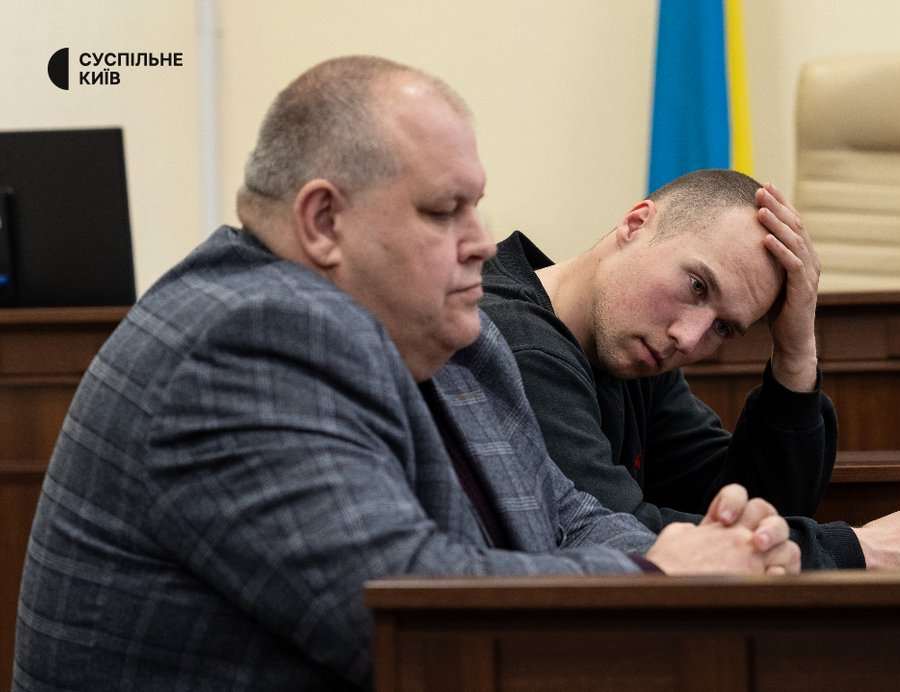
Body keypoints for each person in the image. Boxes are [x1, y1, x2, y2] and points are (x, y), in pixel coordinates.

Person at [14, 58, 800, 691]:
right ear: (324, 222)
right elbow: (399, 608)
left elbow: (565, 514)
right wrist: (658, 571)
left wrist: (715, 553)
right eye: (443, 211)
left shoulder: (455, 338)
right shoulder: (240, 341)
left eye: (476, 208)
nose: (483, 242)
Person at [480, 168, 900, 571]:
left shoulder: (636, 349)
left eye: (723, 328)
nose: (689, 338)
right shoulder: (518, 343)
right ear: (636, 223)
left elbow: (749, 504)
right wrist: (855, 550)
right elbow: (619, 538)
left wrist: (795, 352)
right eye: (697, 286)